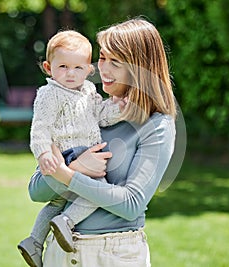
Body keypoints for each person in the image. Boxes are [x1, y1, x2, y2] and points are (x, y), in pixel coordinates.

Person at [28, 17, 177, 267]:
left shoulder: (156, 125)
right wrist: (75, 167)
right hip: (60, 254)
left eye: (115, 62)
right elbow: (36, 190)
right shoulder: (84, 109)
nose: (103, 69)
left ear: (140, 68)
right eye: (102, 58)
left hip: (112, 256)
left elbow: (131, 204)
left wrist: (67, 175)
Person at [18, 30, 121, 267]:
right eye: (63, 66)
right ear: (48, 66)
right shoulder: (49, 94)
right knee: (100, 191)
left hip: (80, 155)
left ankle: (34, 241)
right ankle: (66, 221)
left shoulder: (88, 92)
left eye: (77, 68)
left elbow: (101, 116)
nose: (70, 74)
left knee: (56, 201)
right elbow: (40, 128)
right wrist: (43, 153)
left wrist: (121, 109)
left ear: (88, 70)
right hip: (66, 155)